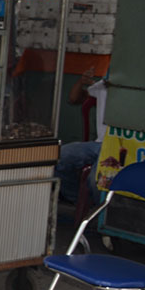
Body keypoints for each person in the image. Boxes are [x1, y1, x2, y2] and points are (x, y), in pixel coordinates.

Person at [56, 72, 108, 203]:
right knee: (58, 157)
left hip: (120, 146)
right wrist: (82, 82)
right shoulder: (105, 85)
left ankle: (98, 211)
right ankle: (79, 201)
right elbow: (74, 99)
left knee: (96, 180)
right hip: (98, 143)